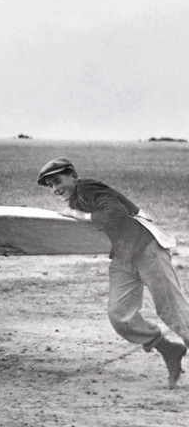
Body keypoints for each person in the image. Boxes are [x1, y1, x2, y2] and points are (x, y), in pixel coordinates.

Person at [38, 157, 187, 387]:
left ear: (73, 176)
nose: (56, 189)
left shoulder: (86, 187)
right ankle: (169, 350)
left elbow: (116, 214)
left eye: (58, 181)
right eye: (50, 186)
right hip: (123, 256)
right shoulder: (76, 200)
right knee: (120, 315)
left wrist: (81, 216)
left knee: (173, 312)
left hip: (147, 248)